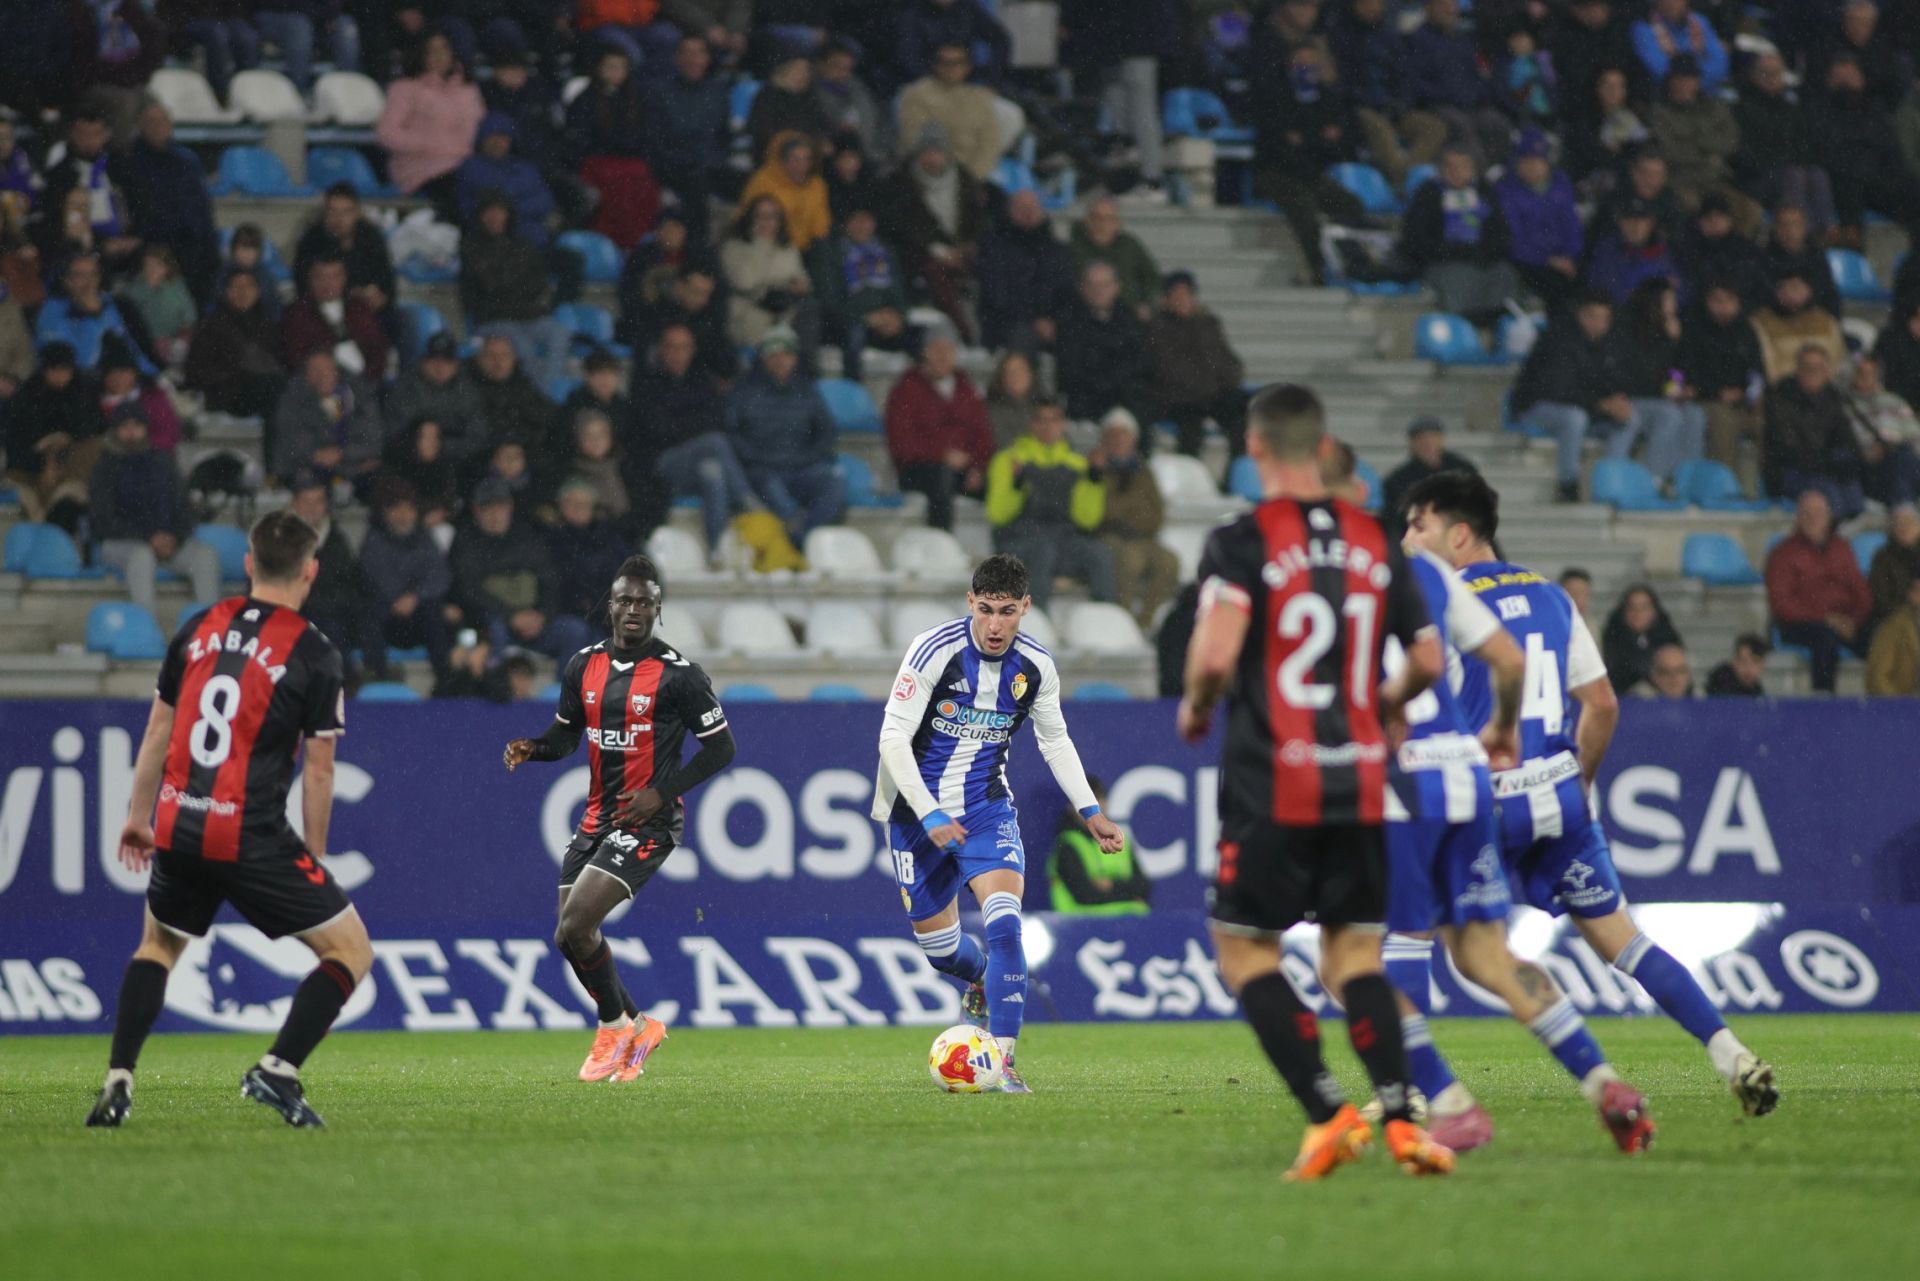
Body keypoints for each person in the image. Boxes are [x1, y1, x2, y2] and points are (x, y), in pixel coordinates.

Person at [1404, 469, 1777, 1130]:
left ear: (1458, 535)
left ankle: (1409, 1091)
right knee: (1626, 943)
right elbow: (1600, 705)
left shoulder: (1441, 601)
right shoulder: (1552, 596)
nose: (1407, 540)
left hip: (1485, 802)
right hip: (1559, 797)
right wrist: (1577, 785)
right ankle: (1732, 1053)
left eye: (1418, 525)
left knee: (1414, 936)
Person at [1174, 383, 1455, 1180]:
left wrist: (1197, 705)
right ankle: (1403, 1122)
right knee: (1357, 956)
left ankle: (1328, 1111)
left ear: (1255, 447)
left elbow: (1217, 655)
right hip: (1359, 780)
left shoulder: (1241, 541)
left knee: (1244, 950)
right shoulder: (1375, 538)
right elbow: (1428, 658)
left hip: (1273, 779)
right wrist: (1385, 705)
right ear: (1325, 446)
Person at [87, 511, 368, 1130]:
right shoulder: (314, 652)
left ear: (248, 563)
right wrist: (315, 855)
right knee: (350, 950)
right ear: (311, 571)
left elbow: (158, 731)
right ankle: (278, 1069)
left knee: (158, 945)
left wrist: (137, 818)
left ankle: (118, 1080)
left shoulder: (198, 627)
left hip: (180, 821)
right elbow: (320, 770)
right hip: (249, 835)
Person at [871, 552, 1123, 1093]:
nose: (994, 625)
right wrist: (929, 810)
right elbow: (892, 738)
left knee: (1006, 923)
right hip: (916, 815)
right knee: (941, 952)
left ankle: (1003, 1061)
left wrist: (1091, 811)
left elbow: (1055, 741)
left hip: (987, 810)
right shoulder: (933, 651)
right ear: (970, 602)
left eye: (1007, 612)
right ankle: (982, 978)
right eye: (985, 609)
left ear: (1025, 608)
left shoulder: (1035, 667)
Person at [504, 555, 737, 1082]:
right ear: (609, 606)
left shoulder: (680, 676)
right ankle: (640, 1025)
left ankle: (613, 1029)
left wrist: (661, 793)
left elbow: (722, 749)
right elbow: (567, 735)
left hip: (649, 822)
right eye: (625, 600)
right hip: (596, 819)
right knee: (568, 937)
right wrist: (535, 747)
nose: (634, 609)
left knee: (577, 924)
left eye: (644, 602)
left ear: (658, 609)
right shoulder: (582, 665)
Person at [630, 323, 756, 559]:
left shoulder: (702, 381)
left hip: (695, 466)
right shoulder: (646, 384)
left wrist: (685, 426)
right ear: (661, 350)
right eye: (672, 347)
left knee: (712, 471)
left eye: (684, 347)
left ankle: (716, 548)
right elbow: (659, 430)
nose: (678, 354)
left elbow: (715, 419)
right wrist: (696, 428)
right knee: (714, 442)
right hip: (661, 465)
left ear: (692, 350)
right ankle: (748, 502)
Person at [985, 399, 1116, 611]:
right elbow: (998, 515)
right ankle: (1035, 619)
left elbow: (1087, 520)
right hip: (1017, 541)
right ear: (1032, 424)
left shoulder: (1077, 464)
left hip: (1062, 541)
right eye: (1041, 420)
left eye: (1054, 420)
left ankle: (1103, 618)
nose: (1047, 427)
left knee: (1099, 553)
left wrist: (1093, 481)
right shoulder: (1008, 459)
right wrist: (1017, 484)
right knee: (1042, 551)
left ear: (1063, 425)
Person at [89, 407, 221, 613]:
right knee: (142, 557)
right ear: (115, 431)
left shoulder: (163, 462)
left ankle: (211, 626)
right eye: (125, 427)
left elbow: (184, 510)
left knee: (205, 556)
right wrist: (148, 537)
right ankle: (146, 626)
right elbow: (102, 521)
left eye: (137, 426)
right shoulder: (104, 468)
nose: (131, 432)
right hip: (122, 544)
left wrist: (174, 537)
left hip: (167, 544)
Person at [1512, 289, 1640, 501]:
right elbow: (1558, 390)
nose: (1599, 324)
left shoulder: (1608, 343)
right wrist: (1601, 404)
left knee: (1630, 418)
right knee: (1573, 418)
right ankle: (1568, 484)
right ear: (1581, 314)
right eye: (1594, 317)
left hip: (1585, 408)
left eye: (1605, 319)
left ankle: (1608, 480)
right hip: (1537, 407)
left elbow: (1615, 380)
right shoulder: (1558, 338)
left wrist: (1618, 401)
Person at [723, 327, 843, 540]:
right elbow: (731, 433)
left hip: (801, 468)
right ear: (763, 358)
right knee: (769, 485)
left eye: (786, 354)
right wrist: (755, 458)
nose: (780, 360)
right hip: (763, 470)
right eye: (773, 354)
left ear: (795, 358)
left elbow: (826, 432)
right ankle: (797, 535)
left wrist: (809, 458)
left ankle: (805, 537)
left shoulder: (807, 390)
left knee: (832, 483)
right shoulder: (743, 390)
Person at [450, 477, 590, 659]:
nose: (495, 514)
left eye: (500, 507)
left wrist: (542, 614)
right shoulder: (465, 542)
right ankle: (497, 676)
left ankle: (566, 679)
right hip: (493, 622)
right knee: (493, 631)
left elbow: (551, 581)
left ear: (510, 507)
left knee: (575, 630)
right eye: (488, 508)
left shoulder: (528, 537)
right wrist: (510, 616)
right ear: (476, 510)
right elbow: (468, 590)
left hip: (536, 620)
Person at [882, 126, 990, 343]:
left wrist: (969, 245)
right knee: (935, 272)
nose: (932, 158)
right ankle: (963, 332)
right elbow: (904, 225)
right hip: (922, 252)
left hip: (963, 248)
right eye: (927, 153)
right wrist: (938, 250)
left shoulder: (964, 179)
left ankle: (990, 329)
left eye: (937, 152)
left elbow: (978, 218)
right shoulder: (902, 182)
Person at [1329, 0, 1449, 192]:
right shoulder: (1341, 37)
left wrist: (1401, 103)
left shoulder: (1389, 36)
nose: (1372, 7)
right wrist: (1370, 102)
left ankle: (1403, 177)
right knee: (1379, 128)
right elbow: (1342, 82)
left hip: (1392, 107)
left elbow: (1404, 76)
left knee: (1434, 127)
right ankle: (1403, 186)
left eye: (1376, 3)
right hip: (1360, 108)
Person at [112, 102, 219, 311]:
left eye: (163, 121)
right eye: (151, 122)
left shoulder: (186, 160)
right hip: (157, 249)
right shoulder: (128, 162)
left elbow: (202, 209)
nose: (158, 126)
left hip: (196, 249)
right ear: (140, 126)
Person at [884, 330, 993, 532]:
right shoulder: (906, 389)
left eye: (948, 350)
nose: (943, 356)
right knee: (942, 478)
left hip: (964, 468)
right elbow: (901, 443)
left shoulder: (967, 389)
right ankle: (941, 541)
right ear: (925, 353)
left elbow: (983, 435)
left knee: (1001, 480)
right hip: (919, 469)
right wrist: (942, 455)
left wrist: (976, 466)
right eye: (937, 350)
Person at [1767, 487, 1873, 692]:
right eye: (1807, 513)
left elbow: (1861, 592)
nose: (1813, 518)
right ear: (1798, 517)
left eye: (1819, 512)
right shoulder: (1783, 553)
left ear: (1829, 516)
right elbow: (1781, 603)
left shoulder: (1842, 548)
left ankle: (1889, 700)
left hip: (1844, 621)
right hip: (1801, 623)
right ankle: (1823, 702)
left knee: (1883, 635)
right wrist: (1826, 619)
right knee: (1825, 639)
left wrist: (1854, 620)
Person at [460, 194, 570, 391]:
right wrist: (516, 281)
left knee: (559, 334)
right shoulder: (471, 247)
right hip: (493, 318)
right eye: (489, 212)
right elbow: (490, 285)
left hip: (529, 315)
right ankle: (538, 395)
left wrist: (510, 282)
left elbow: (538, 282)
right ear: (481, 216)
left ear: (508, 215)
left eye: (500, 211)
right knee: (523, 346)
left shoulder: (523, 245)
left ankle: (546, 393)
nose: (495, 217)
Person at [1398, 146, 1520, 323]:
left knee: (1505, 273)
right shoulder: (1428, 194)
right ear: (1441, 169)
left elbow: (1501, 234)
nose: (1456, 171)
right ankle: (1463, 324)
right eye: (1450, 166)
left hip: (1482, 260)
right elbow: (1416, 238)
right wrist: (1451, 251)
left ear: (1472, 170)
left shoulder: (1485, 193)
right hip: (1445, 261)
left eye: (1462, 166)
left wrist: (1482, 252)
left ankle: (1499, 321)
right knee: (1457, 278)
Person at [375, 32, 486, 215]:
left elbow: (482, 127)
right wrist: (426, 142)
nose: (439, 56)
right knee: (463, 195)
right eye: (431, 51)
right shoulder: (405, 89)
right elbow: (385, 133)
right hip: (424, 169)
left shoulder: (469, 90)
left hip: (466, 165)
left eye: (444, 49)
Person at [564, 43, 663, 249]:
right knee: (616, 186)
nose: (616, 73)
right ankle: (611, 242)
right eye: (610, 67)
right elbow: (580, 138)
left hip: (632, 162)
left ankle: (637, 243)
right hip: (598, 163)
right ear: (598, 68)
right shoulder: (586, 99)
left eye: (621, 67)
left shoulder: (637, 99)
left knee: (643, 181)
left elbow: (647, 135)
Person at [354, 479, 454, 681]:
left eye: (409, 509)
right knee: (367, 612)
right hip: (387, 617)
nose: (403, 516)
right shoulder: (373, 540)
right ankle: (378, 676)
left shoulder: (424, 538)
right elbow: (377, 578)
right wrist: (401, 598)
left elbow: (440, 575)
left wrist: (415, 596)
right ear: (385, 512)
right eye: (396, 509)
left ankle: (446, 680)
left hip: (417, 615)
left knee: (437, 612)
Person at [1648, 54, 1758, 234]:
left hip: (1716, 181)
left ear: (1697, 81)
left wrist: (1695, 144)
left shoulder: (1715, 108)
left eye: (1688, 79)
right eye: (1678, 79)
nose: (1683, 85)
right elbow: (1668, 150)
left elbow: (1731, 140)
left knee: (1749, 211)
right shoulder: (1660, 113)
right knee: (1696, 211)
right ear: (1670, 82)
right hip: (1681, 181)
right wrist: (1707, 156)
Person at [1731, 54, 1838, 237]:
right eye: (1766, 73)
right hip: (1754, 179)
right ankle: (1801, 235)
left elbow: (1804, 145)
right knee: (1792, 174)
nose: (1772, 79)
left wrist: (1796, 161)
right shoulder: (1741, 109)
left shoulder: (1790, 110)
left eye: (1776, 74)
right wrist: (1780, 163)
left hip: (1786, 171)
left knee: (1817, 174)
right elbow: (1742, 154)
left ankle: (1828, 232)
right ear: (1754, 76)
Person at [807, 206, 918, 379]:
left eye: (867, 220)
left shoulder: (885, 252)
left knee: (924, 336)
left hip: (884, 322)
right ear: (846, 224)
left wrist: (898, 316)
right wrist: (866, 318)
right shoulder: (830, 252)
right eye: (856, 220)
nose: (862, 226)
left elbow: (899, 294)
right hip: (847, 322)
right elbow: (829, 301)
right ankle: (853, 390)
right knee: (854, 335)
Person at [1093, 408, 1179, 631]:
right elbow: (1103, 511)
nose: (1119, 440)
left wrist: (1130, 513)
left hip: (1143, 536)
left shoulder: (1143, 471)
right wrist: (1133, 509)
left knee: (1169, 562)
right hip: (1109, 535)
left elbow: (1156, 512)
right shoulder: (1096, 468)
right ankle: (1123, 620)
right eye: (1114, 435)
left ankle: (1146, 622)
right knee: (1131, 560)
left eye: (1125, 435)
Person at [642, 34, 731, 246]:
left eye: (700, 53)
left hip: (711, 165)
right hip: (675, 166)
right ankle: (700, 252)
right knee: (697, 186)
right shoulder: (660, 93)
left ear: (707, 58)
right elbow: (655, 142)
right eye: (688, 53)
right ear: (677, 58)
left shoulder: (718, 92)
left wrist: (716, 160)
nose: (694, 60)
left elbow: (723, 137)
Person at [1148, 271, 1247, 460]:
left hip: (1214, 394)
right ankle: (1188, 473)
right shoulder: (1157, 328)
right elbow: (1168, 368)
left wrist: (1228, 378)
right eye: (1177, 295)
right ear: (1167, 299)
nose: (1183, 300)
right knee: (1191, 432)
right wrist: (1209, 379)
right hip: (1179, 399)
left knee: (1242, 417)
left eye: (1186, 294)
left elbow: (1228, 360)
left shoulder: (1209, 324)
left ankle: (1237, 470)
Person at [2, 343, 102, 531]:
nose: (60, 376)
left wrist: (60, 455)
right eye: (54, 370)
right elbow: (14, 444)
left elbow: (90, 435)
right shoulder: (25, 398)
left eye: (65, 370)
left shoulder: (83, 395)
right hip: (29, 476)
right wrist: (43, 461)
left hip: (71, 474)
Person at [1616, 278, 1706, 485]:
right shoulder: (1631, 329)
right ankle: (1655, 479)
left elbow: (1676, 370)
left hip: (1659, 398)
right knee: (1669, 415)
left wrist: (1677, 389)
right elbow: (1645, 373)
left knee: (1695, 415)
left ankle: (1685, 481)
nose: (1674, 305)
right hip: (1634, 398)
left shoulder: (1672, 330)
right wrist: (1670, 342)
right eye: (1669, 300)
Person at [1405, 0, 1511, 170]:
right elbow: (1415, 82)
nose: (1450, 10)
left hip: (1469, 105)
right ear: (1428, 8)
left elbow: (1476, 75)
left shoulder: (1462, 39)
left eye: (1453, 4)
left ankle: (1497, 172)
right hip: (1437, 106)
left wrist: (1477, 95)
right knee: (1462, 125)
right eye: (1443, 5)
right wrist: (1447, 95)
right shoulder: (1417, 40)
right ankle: (1477, 177)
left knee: (1496, 123)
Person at [1678, 279, 1765, 487]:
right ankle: (1723, 488)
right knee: (1724, 422)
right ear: (1707, 302)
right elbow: (1681, 372)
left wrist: (1749, 394)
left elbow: (1757, 372)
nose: (1723, 306)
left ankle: (1767, 487)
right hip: (1707, 400)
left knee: (1770, 423)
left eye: (1729, 300)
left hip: (1743, 401)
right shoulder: (1694, 330)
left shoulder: (1747, 331)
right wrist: (1716, 392)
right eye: (1717, 300)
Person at [1764, 344, 1866, 518]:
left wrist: (1845, 462)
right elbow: (1788, 448)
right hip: (1789, 472)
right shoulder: (1780, 397)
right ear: (1797, 369)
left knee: (1852, 489)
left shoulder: (1834, 399)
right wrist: (1828, 464)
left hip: (1825, 469)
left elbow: (1848, 441)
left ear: (1827, 372)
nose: (1812, 372)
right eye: (1807, 366)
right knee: (1827, 491)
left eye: (1818, 367)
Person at [974, 189, 1075, 356]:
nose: (1028, 213)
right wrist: (1034, 321)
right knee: (1023, 335)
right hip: (1007, 323)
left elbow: (1068, 294)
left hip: (1050, 323)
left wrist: (1055, 321)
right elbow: (996, 296)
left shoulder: (1058, 250)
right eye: (1021, 208)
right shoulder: (993, 247)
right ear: (1010, 212)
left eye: (1033, 208)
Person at [1495, 128, 1585, 313]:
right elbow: (1513, 240)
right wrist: (1548, 260)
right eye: (1528, 160)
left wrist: (1571, 257)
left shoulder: (1560, 184)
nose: (1534, 166)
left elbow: (1572, 227)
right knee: (1556, 288)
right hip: (1529, 262)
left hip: (1565, 259)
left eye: (1539, 160)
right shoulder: (1505, 190)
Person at [721, 196, 821, 360]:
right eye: (761, 216)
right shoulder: (734, 247)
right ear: (750, 218)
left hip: (784, 310)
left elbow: (803, 281)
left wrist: (799, 286)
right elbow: (745, 282)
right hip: (751, 310)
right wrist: (759, 243)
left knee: (808, 308)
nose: (767, 222)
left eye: (772, 216)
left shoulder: (788, 249)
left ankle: (804, 366)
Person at [271, 350, 382, 492]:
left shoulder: (359, 396)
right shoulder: (292, 401)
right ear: (306, 376)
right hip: (310, 469)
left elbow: (373, 441)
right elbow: (291, 445)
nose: (322, 375)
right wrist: (319, 456)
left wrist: (342, 453)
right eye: (315, 370)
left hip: (354, 466)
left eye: (327, 369)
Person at [1055, 262, 1151, 426]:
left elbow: (1139, 361)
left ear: (1117, 287)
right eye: (1092, 285)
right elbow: (1070, 368)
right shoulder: (1069, 321)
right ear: (1082, 288)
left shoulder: (1130, 319)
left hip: (1125, 398)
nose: (1099, 290)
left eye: (1105, 284)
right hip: (1086, 401)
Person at [185, 269, 287, 420]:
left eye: (248, 286)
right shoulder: (212, 325)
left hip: (264, 387)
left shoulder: (266, 324)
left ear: (257, 291)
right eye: (236, 287)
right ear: (226, 292)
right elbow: (196, 370)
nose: (243, 292)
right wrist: (238, 372)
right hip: (230, 393)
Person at [896, 42, 1004, 183]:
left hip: (973, 177)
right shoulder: (916, 95)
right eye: (944, 62)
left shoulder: (980, 98)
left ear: (968, 67)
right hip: (929, 174)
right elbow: (913, 142)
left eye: (957, 63)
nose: (950, 68)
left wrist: (971, 179)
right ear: (935, 65)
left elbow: (990, 143)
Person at [36, 253, 155, 375]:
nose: (89, 281)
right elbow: (83, 362)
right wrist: (92, 314)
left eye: (93, 274)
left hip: (126, 377)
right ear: (66, 280)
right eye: (80, 275)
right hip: (82, 380)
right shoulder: (52, 311)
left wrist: (152, 375)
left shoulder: (113, 303)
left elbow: (133, 348)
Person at [281, 254, 387, 386]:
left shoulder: (358, 307)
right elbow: (297, 356)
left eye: (334, 276)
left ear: (345, 278)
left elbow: (376, 347)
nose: (328, 283)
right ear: (309, 278)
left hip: (366, 382)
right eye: (320, 277)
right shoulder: (297, 313)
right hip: (322, 386)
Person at [1048, 778, 1150, 915]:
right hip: (1080, 924)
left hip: (1127, 921)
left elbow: (1143, 886)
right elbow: (1084, 895)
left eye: (1097, 800)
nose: (1092, 809)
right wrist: (1128, 894)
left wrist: (1111, 885)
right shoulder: (1068, 844)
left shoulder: (1121, 838)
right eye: (1085, 803)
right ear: (1071, 807)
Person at [456, 113, 557, 246]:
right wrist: (517, 207)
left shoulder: (525, 168)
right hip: (488, 240)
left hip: (534, 235)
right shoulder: (470, 168)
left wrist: (512, 207)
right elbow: (489, 202)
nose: (498, 143)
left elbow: (544, 201)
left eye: (503, 137)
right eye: (493, 137)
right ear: (481, 139)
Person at [386, 332, 488, 460]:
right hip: (410, 462)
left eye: (447, 360)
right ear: (423, 361)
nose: (440, 367)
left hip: (456, 462)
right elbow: (391, 434)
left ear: (456, 364)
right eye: (434, 359)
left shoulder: (467, 389)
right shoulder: (405, 387)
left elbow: (478, 438)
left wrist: (441, 446)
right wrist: (418, 443)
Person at [546, 478, 631, 625]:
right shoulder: (550, 540)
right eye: (572, 503)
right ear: (561, 506)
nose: (579, 508)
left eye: (584, 504)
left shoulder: (609, 537)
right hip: (568, 613)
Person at [1843, 354, 1920, 508]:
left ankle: (1903, 505)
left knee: (1904, 455)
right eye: (1860, 372)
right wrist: (1865, 452)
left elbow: (1916, 437)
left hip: (1903, 461)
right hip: (1868, 466)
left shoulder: (1895, 402)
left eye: (1870, 373)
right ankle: (1903, 507)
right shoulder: (1844, 409)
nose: (1865, 377)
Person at [1381, 417, 1478, 538]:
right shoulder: (1398, 480)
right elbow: (1394, 520)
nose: (1428, 443)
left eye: (1433, 437)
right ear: (1412, 443)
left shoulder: (1462, 469)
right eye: (1422, 439)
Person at [737, 132, 832, 255]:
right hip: (769, 248)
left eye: (807, 159)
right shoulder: (763, 182)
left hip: (805, 250)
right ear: (782, 160)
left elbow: (821, 226)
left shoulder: (817, 185)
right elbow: (748, 221)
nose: (801, 166)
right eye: (795, 159)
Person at [1069, 198, 1161, 321]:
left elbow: (1151, 277)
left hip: (1128, 314)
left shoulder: (1129, 246)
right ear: (1087, 221)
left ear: (1117, 223)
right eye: (1097, 218)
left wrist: (1146, 304)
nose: (1102, 224)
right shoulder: (1073, 248)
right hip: (1084, 316)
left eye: (1109, 218)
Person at [469, 333, 558, 455]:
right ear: (479, 360)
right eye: (491, 356)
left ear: (514, 359)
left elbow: (548, 413)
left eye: (504, 355)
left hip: (528, 452)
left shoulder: (521, 383)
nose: (498, 362)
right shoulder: (468, 387)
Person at [1584, 196, 1680, 306]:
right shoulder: (1607, 250)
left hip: (1655, 314)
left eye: (1642, 219)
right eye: (1629, 219)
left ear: (1651, 223)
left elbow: (1681, 293)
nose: (1635, 225)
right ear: (1619, 222)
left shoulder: (1664, 252)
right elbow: (1604, 290)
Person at [1631, 0, 1729, 94]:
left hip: (1708, 91)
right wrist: (1688, 84)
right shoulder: (1643, 28)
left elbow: (1720, 61)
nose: (1671, 3)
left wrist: (1695, 83)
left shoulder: (1699, 21)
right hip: (1667, 94)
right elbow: (1659, 69)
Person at [1602, 583, 1684, 694]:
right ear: (1624, 611)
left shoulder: (1668, 637)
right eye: (1632, 608)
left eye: (1644, 607)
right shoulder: (1611, 638)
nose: (1638, 613)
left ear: (1654, 611)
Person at [1868, 505, 1920, 630]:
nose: (1904, 528)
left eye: (1909, 522)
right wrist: (1910, 602)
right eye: (1899, 523)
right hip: (1896, 619)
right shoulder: (1883, 557)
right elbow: (1881, 598)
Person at [1866, 576, 1920, 695]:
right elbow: (1878, 676)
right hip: (1904, 701)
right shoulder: (1894, 628)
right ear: (1911, 594)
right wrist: (1898, 703)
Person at [985, 351, 1042, 451]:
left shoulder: (1044, 407)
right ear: (1001, 378)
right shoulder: (990, 411)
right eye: (1010, 372)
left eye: (1021, 370)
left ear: (1031, 374)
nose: (1016, 376)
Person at [1705, 632, 1770, 697]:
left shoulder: (1756, 689)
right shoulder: (1719, 683)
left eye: (1755, 663)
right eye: (1744, 662)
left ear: (1762, 665)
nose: (1749, 668)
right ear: (1734, 660)